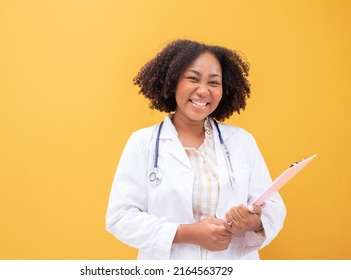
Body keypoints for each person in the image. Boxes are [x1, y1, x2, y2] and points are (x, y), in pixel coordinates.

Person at [106, 39, 286, 260]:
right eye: (193, 79)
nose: (203, 91)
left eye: (214, 82)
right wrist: (187, 233)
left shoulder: (241, 141)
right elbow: (120, 217)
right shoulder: (143, 143)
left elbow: (274, 208)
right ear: (173, 82)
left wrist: (253, 222)